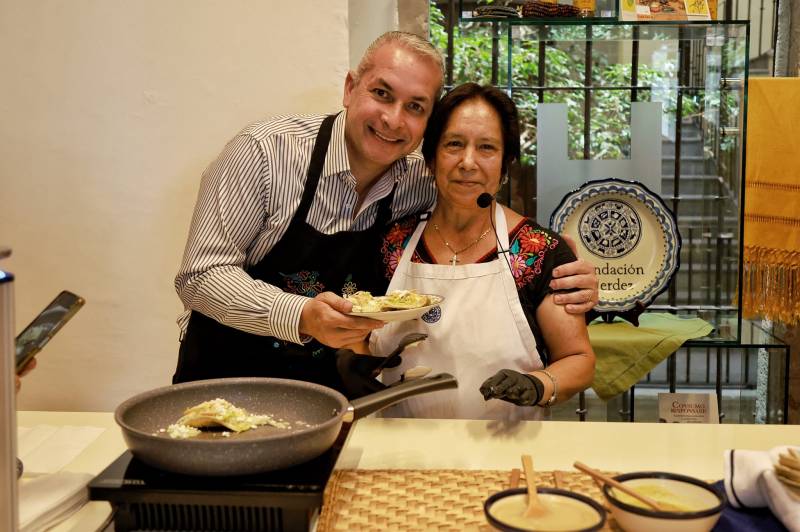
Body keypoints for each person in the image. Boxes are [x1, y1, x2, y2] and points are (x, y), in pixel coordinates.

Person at [173, 32, 598, 395]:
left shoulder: (418, 180)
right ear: (349, 88)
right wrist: (301, 315)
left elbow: (474, 193)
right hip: (224, 383)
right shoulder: (266, 153)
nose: (393, 120)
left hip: (331, 399)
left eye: (415, 106)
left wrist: (561, 256)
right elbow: (200, 276)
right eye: (382, 93)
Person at [366, 83, 595, 420]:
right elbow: (359, 336)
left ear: (505, 165)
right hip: (400, 453)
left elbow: (579, 359)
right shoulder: (392, 243)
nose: (467, 162)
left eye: (486, 147)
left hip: (506, 455)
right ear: (431, 158)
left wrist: (538, 384)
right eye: (454, 145)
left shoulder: (540, 251)